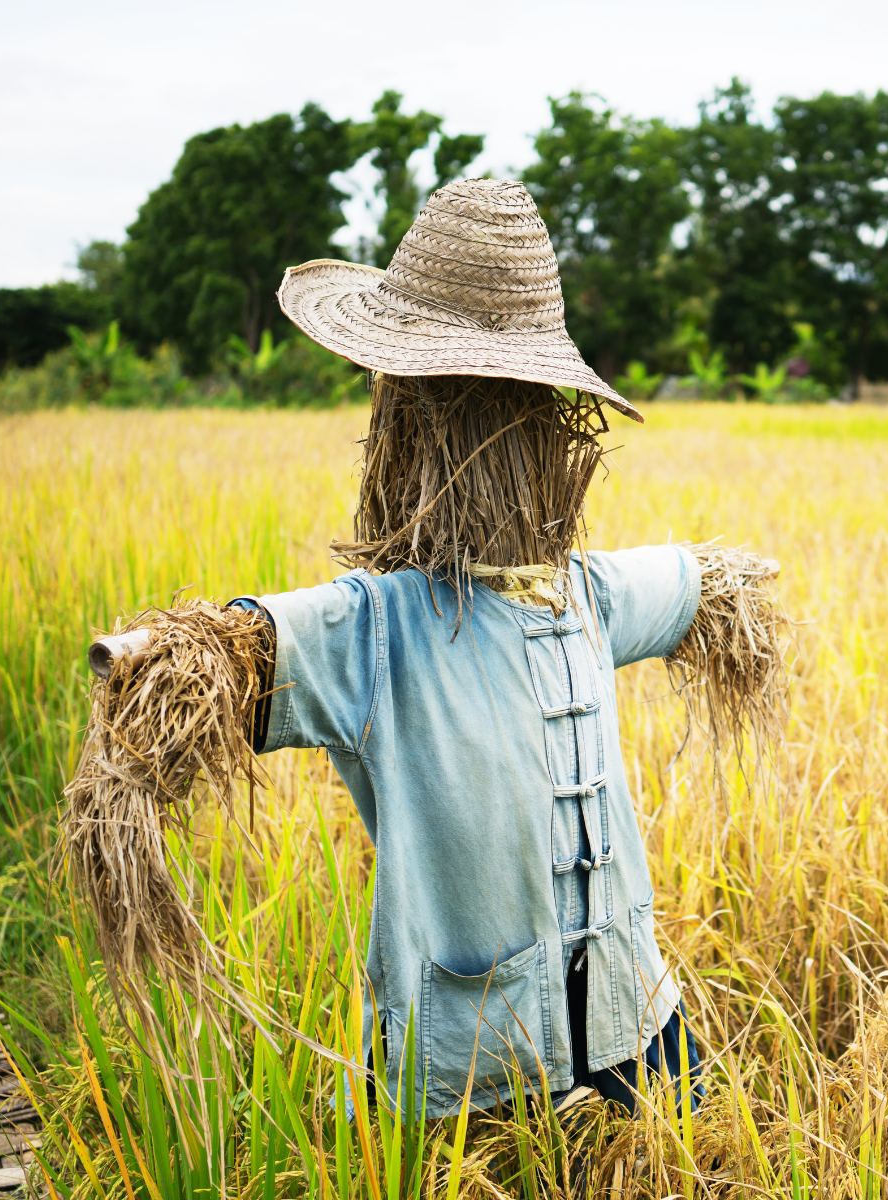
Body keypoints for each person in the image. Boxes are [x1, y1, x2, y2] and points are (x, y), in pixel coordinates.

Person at [233, 178, 705, 1118]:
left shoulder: (584, 591)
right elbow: (222, 658)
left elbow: (696, 583)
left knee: (672, 1150)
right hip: (473, 1060)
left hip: (630, 1018)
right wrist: (163, 664)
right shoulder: (376, 625)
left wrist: (729, 590)